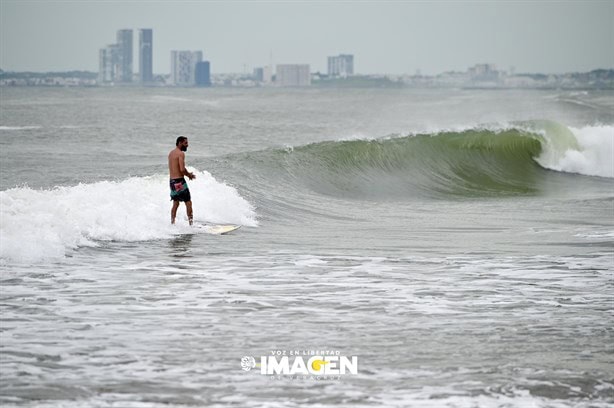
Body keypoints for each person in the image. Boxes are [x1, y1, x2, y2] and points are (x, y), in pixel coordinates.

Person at [168, 136, 196, 225]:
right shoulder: (180, 154)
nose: (187, 145)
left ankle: (172, 224)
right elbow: (182, 169)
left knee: (175, 203)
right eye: (185, 143)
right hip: (179, 181)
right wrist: (189, 175)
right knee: (188, 202)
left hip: (172, 181)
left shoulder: (171, 153)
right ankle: (191, 225)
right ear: (180, 143)